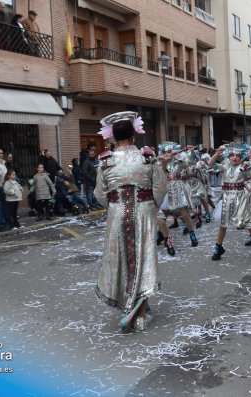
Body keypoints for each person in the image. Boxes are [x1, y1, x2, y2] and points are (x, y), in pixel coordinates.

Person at [93, 111, 167, 332]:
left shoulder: (105, 161)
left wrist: (114, 206)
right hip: (143, 211)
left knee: (123, 260)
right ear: (135, 134)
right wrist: (152, 207)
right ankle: (141, 315)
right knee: (143, 258)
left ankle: (130, 305)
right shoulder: (147, 156)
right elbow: (160, 187)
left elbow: (99, 193)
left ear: (113, 137)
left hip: (117, 212)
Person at [207, 144, 251, 261]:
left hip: (240, 197)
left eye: (237, 155)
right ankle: (218, 247)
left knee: (248, 222)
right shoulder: (225, 166)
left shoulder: (244, 166)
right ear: (228, 156)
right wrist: (217, 154)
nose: (234, 158)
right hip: (227, 197)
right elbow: (210, 164)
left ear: (241, 157)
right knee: (223, 224)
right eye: (232, 155)